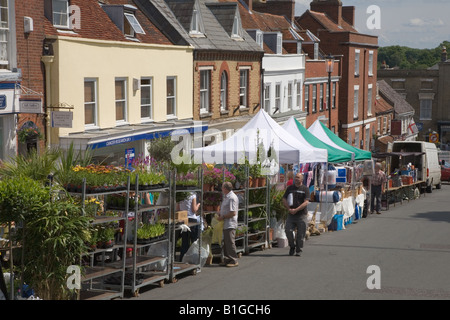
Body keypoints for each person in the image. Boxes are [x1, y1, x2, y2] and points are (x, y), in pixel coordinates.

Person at [282, 173, 310, 256]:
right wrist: (289, 209)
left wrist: (296, 209)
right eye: (295, 177)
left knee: (301, 234)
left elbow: (306, 202)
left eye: (298, 178)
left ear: (302, 179)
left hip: (301, 215)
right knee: (288, 230)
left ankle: (299, 250)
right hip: (291, 214)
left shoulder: (305, 189)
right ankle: (292, 246)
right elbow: (284, 199)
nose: (296, 179)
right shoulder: (290, 188)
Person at [217, 181, 239, 267]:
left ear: (225, 189)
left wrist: (223, 217)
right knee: (226, 242)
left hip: (230, 223)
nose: (221, 189)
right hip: (226, 223)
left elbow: (233, 213)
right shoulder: (227, 197)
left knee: (230, 242)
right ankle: (227, 259)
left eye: (222, 187)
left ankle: (233, 260)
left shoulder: (232, 198)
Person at [179, 192, 201, 261]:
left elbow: (177, 208)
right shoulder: (192, 195)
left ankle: (182, 259)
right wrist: (198, 205)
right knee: (194, 241)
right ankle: (194, 259)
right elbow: (194, 209)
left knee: (185, 241)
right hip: (192, 218)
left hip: (183, 218)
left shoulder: (180, 195)